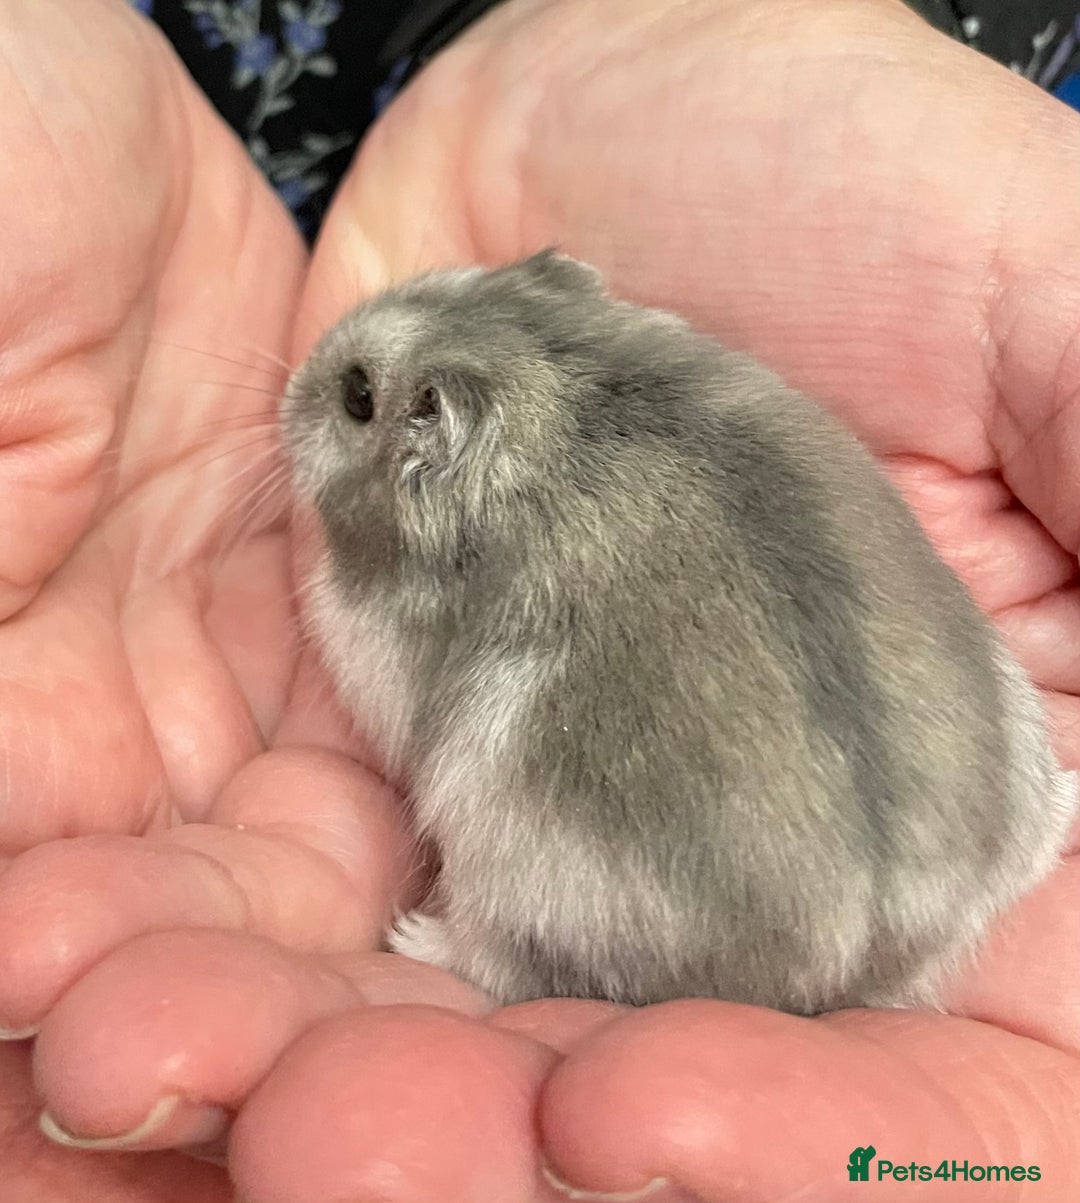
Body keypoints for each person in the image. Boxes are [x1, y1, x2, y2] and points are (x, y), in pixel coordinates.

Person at [0, 0, 1077, 1199]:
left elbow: (422, 712)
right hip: (971, 828)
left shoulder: (409, 579)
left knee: (508, 755)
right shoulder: (715, 401)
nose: (308, 395)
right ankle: (1021, 823)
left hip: (725, 893)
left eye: (353, 398)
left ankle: (511, 951)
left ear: (434, 440)